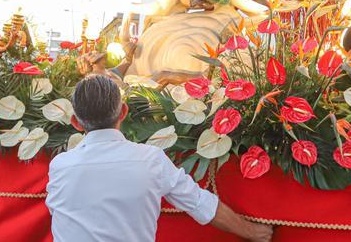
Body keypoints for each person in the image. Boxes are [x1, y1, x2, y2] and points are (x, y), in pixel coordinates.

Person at [46, 75, 273, 242]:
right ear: (123, 112)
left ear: (75, 122)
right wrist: (254, 233)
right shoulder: (150, 160)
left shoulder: (59, 166)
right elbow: (200, 203)